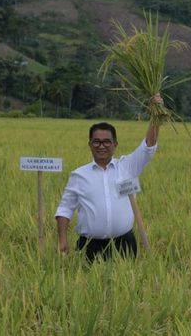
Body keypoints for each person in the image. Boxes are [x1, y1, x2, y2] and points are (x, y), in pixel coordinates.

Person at [55, 94, 163, 262]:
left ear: (115, 144)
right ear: (90, 144)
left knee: (127, 286)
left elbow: (148, 146)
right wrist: (62, 239)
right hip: (89, 246)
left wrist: (156, 115)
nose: (101, 146)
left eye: (106, 142)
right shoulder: (79, 175)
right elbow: (65, 209)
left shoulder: (127, 166)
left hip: (124, 244)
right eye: (96, 142)